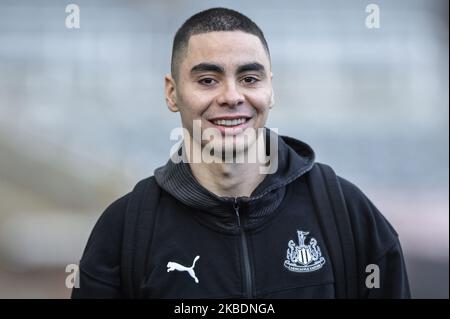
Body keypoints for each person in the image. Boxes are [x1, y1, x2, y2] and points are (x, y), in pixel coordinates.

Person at [71, 7, 411, 299]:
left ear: (270, 90)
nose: (232, 96)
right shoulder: (124, 231)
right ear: (172, 93)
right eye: (207, 80)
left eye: (249, 78)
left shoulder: (347, 214)